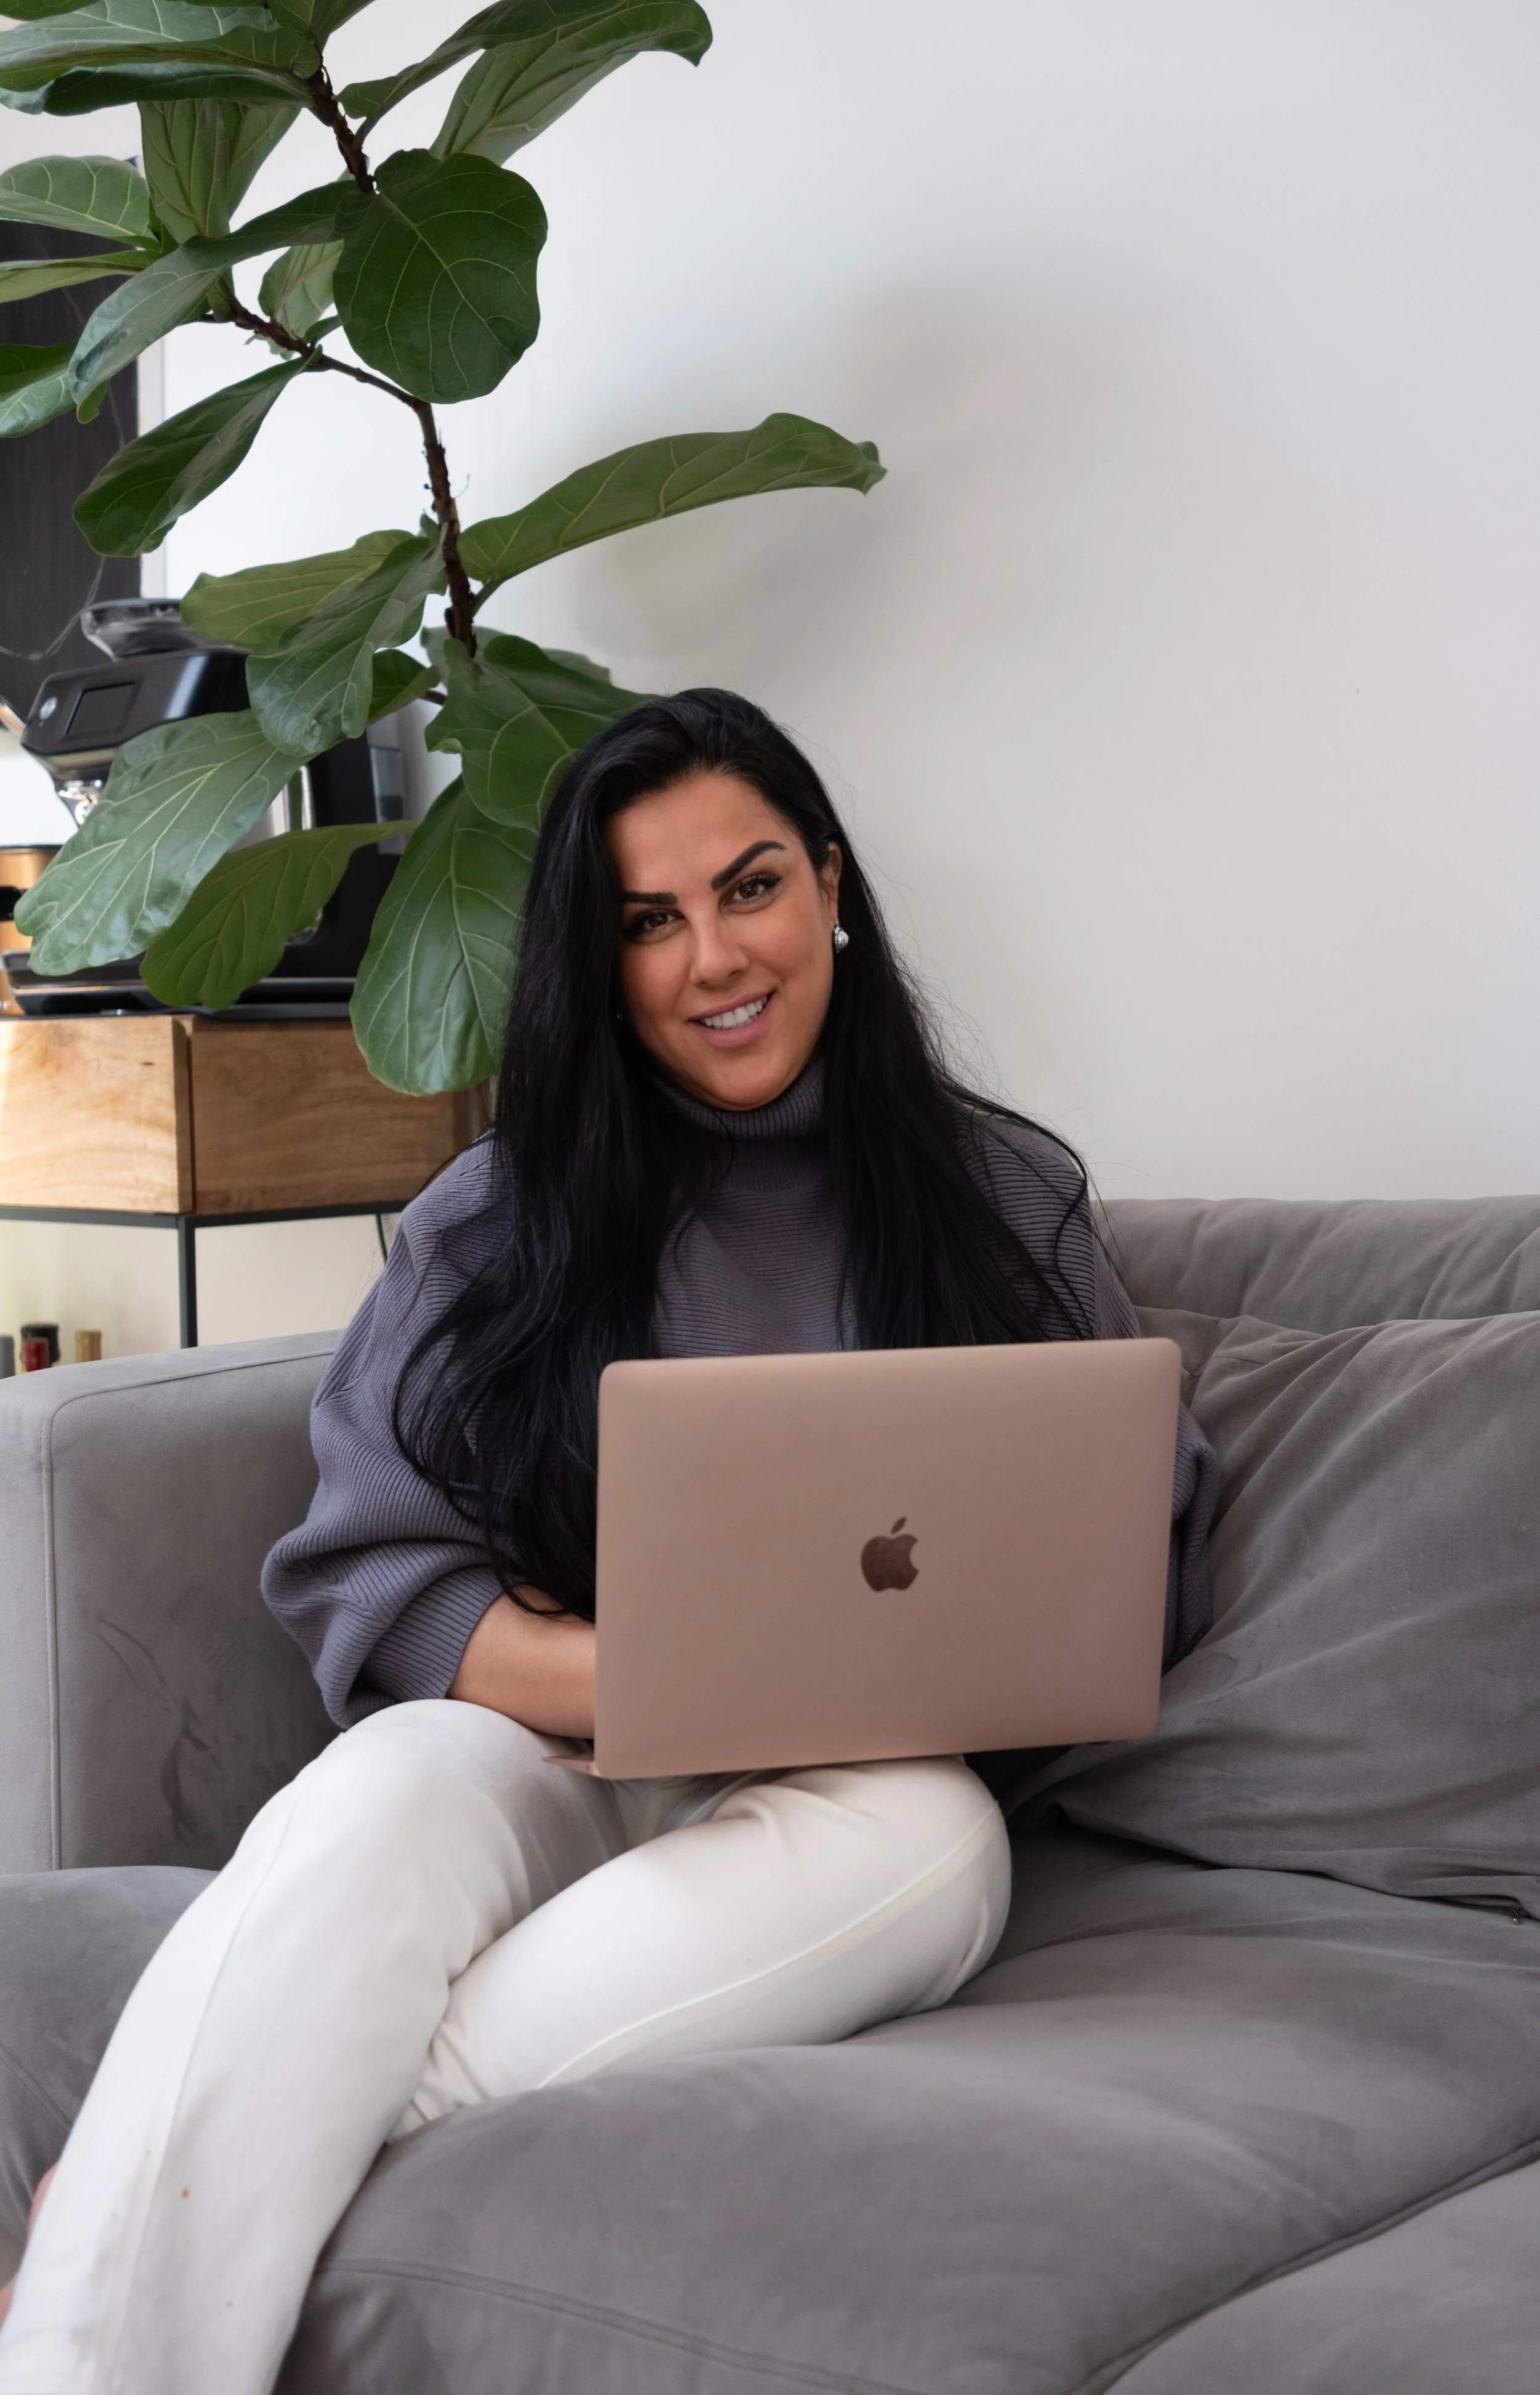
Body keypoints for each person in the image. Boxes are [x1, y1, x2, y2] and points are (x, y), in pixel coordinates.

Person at [0, 689, 1215, 2394]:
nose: (715, 955)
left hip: (856, 1792)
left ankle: (147, 2189)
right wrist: (637, 1673)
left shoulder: (1002, 1199)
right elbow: (378, 1571)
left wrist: (871, 1672)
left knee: (943, 1844)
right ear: (599, 959)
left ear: (832, 889)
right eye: (648, 920)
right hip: (550, 1743)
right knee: (383, 1789)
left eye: (750, 885)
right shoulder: (491, 1220)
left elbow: (1122, 1539)